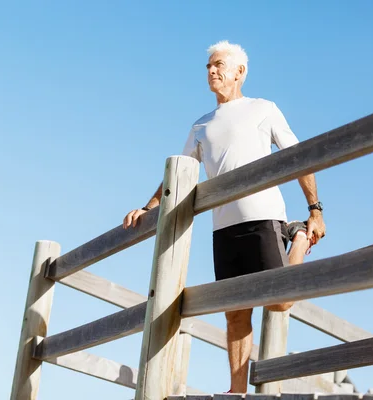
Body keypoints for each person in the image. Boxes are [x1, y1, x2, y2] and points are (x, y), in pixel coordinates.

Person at [122, 40, 326, 394]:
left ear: (240, 72)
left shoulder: (263, 109)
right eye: (208, 67)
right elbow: (178, 175)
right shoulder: (201, 125)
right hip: (224, 229)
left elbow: (300, 156)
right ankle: (236, 391)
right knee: (235, 311)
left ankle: (298, 238)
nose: (211, 71)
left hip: (264, 219)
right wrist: (149, 207)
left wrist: (314, 210)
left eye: (218, 64)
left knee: (281, 300)